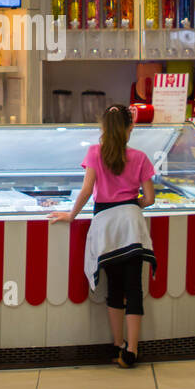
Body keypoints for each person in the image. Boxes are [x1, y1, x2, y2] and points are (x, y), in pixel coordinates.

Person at [48, 104, 156, 369]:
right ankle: (131, 350)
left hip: (105, 225)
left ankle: (117, 344)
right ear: (130, 128)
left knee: (115, 289)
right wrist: (134, 204)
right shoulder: (140, 157)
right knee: (134, 290)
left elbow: (86, 190)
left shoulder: (95, 153)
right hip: (131, 224)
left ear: (103, 129)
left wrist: (70, 215)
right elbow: (150, 198)